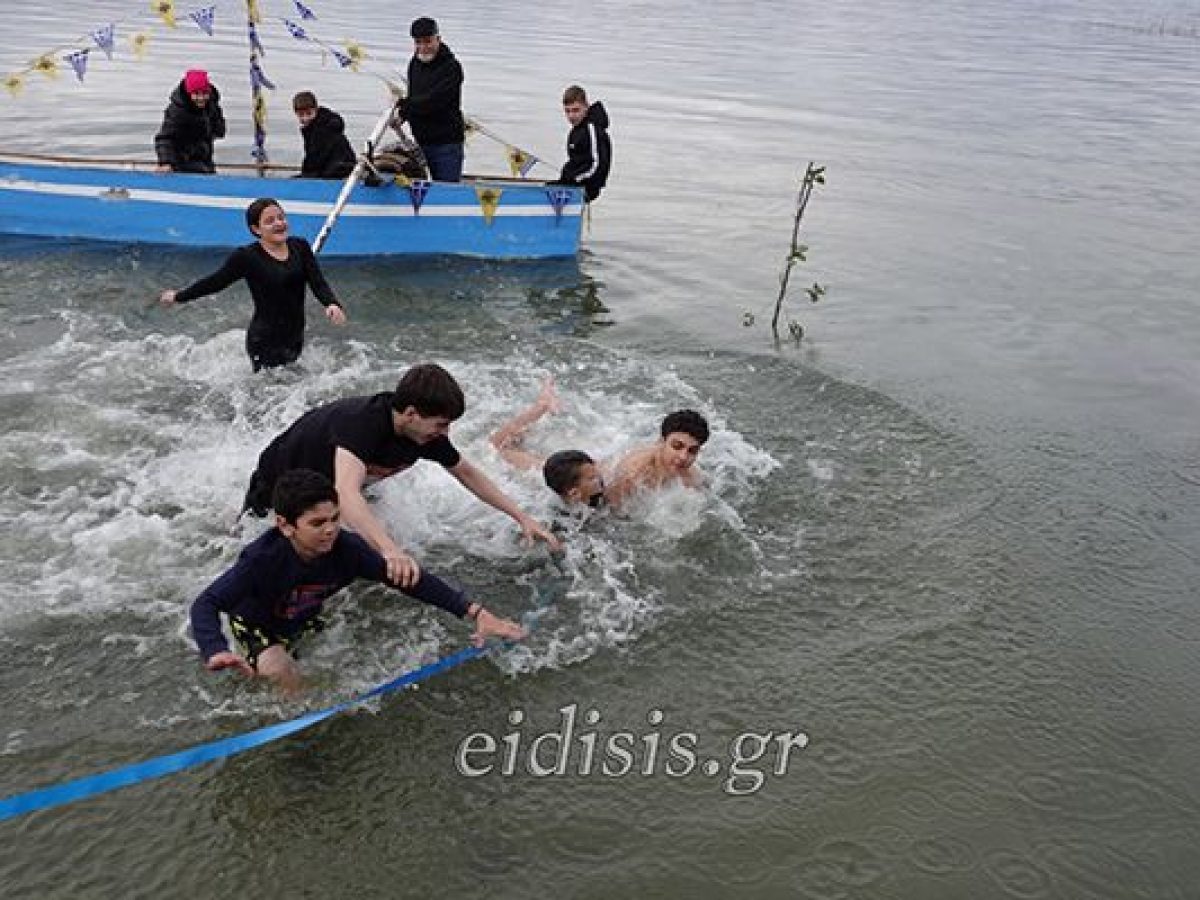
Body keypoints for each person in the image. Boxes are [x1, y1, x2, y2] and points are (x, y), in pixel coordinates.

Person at [191, 469, 526, 694]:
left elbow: (411, 581)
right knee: (282, 673)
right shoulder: (261, 560)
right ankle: (300, 746)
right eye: (317, 523)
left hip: (302, 616)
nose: (330, 530)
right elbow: (205, 603)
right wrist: (215, 649)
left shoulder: (348, 550)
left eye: (335, 519)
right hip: (255, 623)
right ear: (286, 525)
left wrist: (478, 613)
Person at [242, 362, 561, 588]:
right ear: (410, 413)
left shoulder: (424, 435)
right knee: (273, 559)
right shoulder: (363, 424)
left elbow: (467, 473)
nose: (445, 432)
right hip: (277, 486)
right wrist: (389, 549)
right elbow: (347, 493)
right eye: (440, 423)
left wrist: (521, 517)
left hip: (328, 491)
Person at [158, 197, 348, 372]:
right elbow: (215, 282)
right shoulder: (247, 257)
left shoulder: (300, 247)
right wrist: (178, 296)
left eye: (281, 217)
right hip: (264, 341)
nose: (279, 223)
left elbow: (317, 282)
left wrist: (331, 303)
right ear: (256, 229)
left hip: (294, 337)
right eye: (270, 221)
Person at [489, 380, 708, 508]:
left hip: (600, 464)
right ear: (661, 442)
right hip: (585, 479)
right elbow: (603, 509)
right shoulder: (633, 474)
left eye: (692, 451)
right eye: (677, 446)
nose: (683, 457)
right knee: (500, 448)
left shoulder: (690, 475)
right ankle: (541, 407)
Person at [391, 17, 466, 182]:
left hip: (446, 144)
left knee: (446, 190)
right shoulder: (414, 64)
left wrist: (404, 104)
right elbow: (414, 97)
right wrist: (402, 115)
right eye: (418, 43)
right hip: (420, 142)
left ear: (438, 39)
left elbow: (433, 102)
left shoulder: (452, 68)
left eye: (427, 42)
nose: (423, 47)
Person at [154, 69, 226, 174]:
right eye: (196, 94)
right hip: (181, 164)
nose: (201, 98)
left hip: (205, 160)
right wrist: (166, 162)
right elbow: (164, 138)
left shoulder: (211, 106)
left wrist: (215, 122)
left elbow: (220, 132)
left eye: (204, 93)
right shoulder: (177, 111)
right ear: (189, 93)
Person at [555, 85, 611, 202]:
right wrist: (564, 178)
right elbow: (576, 160)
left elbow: (598, 164)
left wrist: (574, 180)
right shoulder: (576, 130)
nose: (571, 116)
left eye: (576, 110)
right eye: (567, 111)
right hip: (574, 184)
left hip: (585, 188)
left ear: (586, 107)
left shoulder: (592, 129)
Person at [293, 91, 357, 180]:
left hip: (338, 171)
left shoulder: (322, 129)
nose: (305, 118)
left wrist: (305, 173)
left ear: (316, 109)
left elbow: (315, 159)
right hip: (335, 168)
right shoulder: (318, 125)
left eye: (309, 113)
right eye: (301, 115)